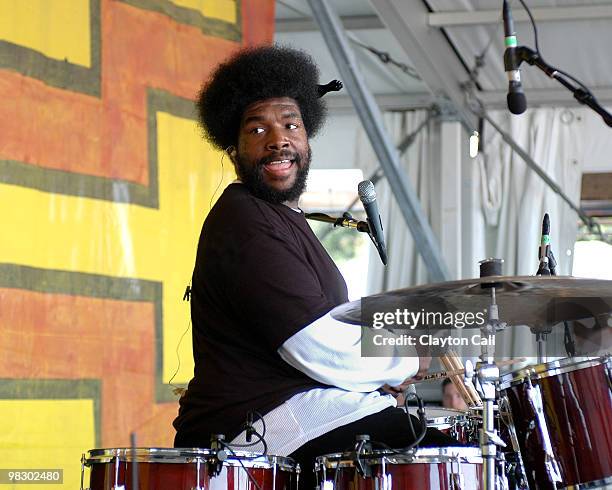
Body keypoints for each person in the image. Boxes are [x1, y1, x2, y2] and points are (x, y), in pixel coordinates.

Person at [173, 45, 457, 489]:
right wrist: (403, 360)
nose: (278, 139)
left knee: (447, 445)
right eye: (258, 129)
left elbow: (326, 340)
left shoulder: (285, 221)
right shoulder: (245, 222)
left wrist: (373, 380)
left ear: (307, 139)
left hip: (299, 412)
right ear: (233, 150)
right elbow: (315, 345)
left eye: (291, 125)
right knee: (443, 460)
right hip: (258, 430)